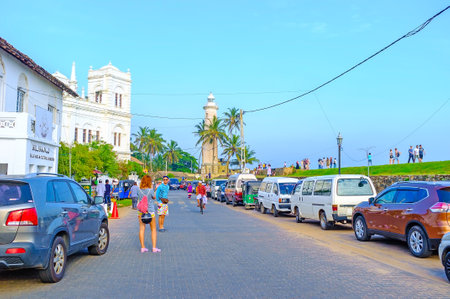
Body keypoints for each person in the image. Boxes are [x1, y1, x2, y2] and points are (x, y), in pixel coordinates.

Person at [137, 175, 159, 253]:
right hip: (150, 212)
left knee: (142, 229)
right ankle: (154, 248)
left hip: (141, 212)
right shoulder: (151, 190)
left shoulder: (138, 190)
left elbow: (139, 198)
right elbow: (154, 197)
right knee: (153, 229)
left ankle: (143, 247)